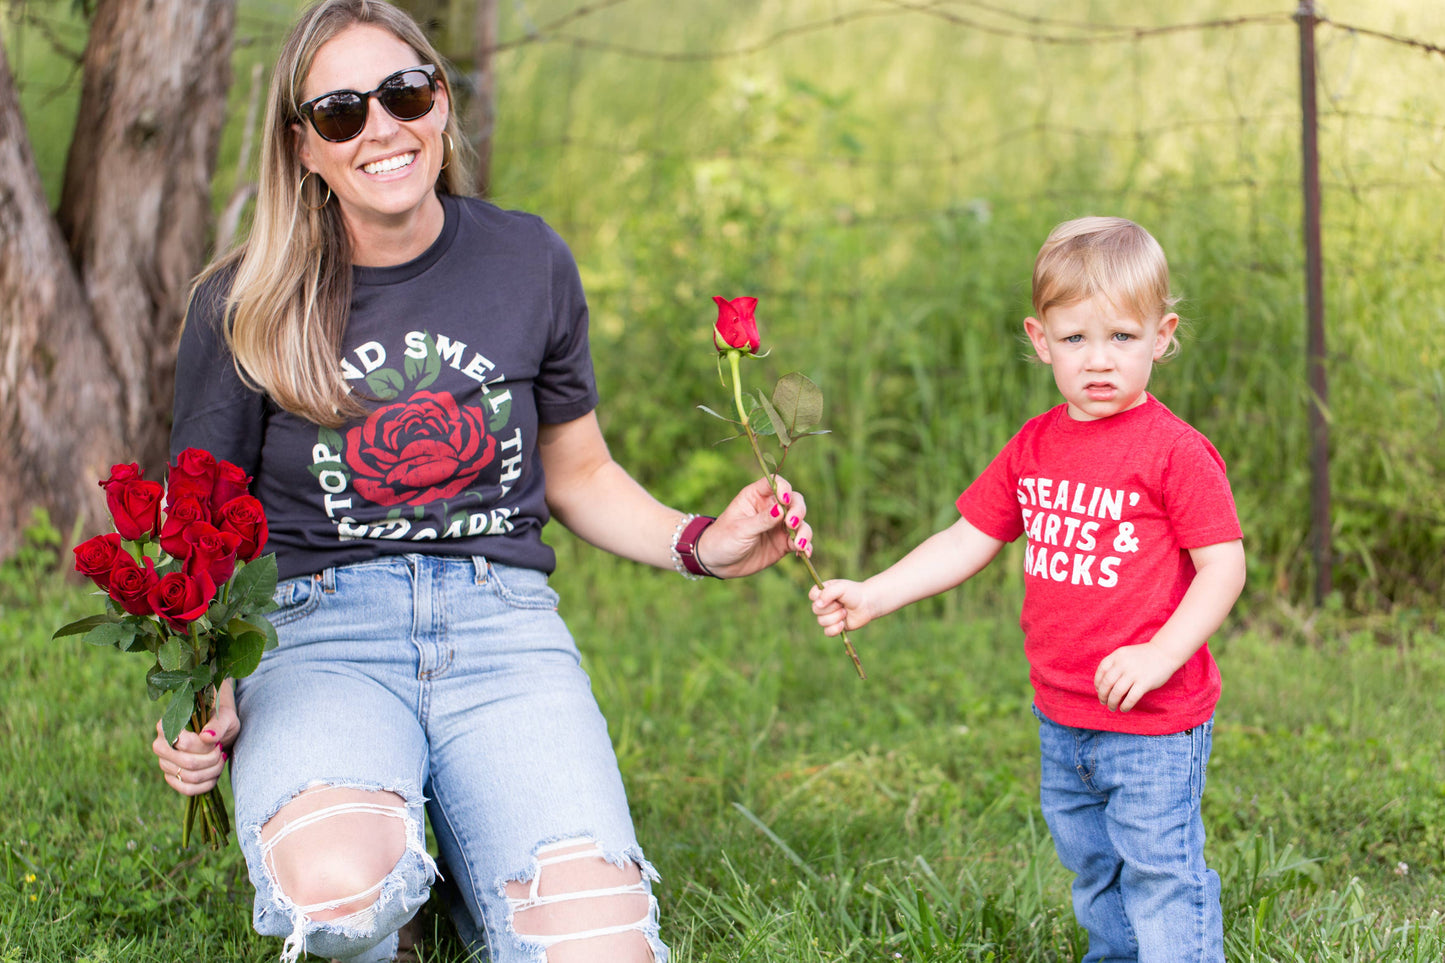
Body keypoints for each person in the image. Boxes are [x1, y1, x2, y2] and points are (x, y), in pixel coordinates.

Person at [148, 2, 814, 962]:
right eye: (340, 112)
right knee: (341, 902)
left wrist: (699, 540)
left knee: (601, 948)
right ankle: (397, 869)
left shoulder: (525, 258)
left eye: (403, 93)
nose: (380, 127)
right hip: (318, 631)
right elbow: (198, 520)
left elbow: (577, 470)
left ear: (440, 102)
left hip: (501, 629)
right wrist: (198, 689)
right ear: (302, 145)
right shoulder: (244, 301)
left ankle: (461, 851)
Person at [811, 216, 1246, 963]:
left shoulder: (1173, 452)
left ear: (1161, 335)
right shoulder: (1035, 445)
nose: (1098, 360)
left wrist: (1159, 654)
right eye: (1074, 339)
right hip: (1063, 713)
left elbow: (1223, 566)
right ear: (1040, 339)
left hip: (1152, 721)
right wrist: (876, 593)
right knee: (1094, 868)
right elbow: (966, 538)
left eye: (1121, 337)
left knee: (1158, 870)